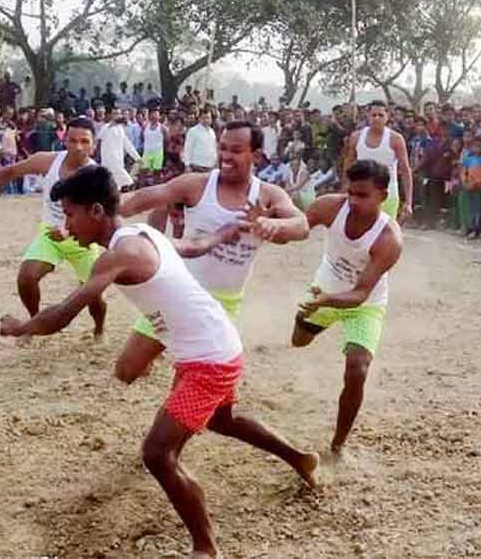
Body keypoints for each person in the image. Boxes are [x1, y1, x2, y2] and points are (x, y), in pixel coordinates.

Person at [0, 166, 318, 558]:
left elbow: (64, 313)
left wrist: (20, 328)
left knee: (157, 454)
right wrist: (225, 233)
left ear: (96, 211)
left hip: (210, 361)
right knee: (221, 419)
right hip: (208, 347)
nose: (67, 224)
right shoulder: (142, 234)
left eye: (70, 213)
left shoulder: (120, 253)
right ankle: (300, 458)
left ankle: (206, 547)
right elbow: (193, 247)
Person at [118, 121, 309, 370]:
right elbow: (139, 199)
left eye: (236, 150)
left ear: (257, 155)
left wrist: (273, 225)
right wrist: (95, 207)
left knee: (198, 383)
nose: (226, 156)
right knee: (127, 369)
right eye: (222, 148)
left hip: (222, 303)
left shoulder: (268, 195)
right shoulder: (197, 184)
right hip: (177, 290)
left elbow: (302, 225)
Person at [0, 117, 107, 340]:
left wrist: (69, 231)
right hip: (50, 234)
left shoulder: (97, 176)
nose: (78, 147)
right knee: (26, 278)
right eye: (72, 141)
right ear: (65, 141)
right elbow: (8, 172)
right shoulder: (48, 161)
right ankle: (33, 324)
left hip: (83, 240)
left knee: (93, 297)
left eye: (84, 141)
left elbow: (99, 218)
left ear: (94, 144)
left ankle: (99, 328)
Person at [291, 160, 402, 456]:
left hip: (362, 304)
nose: (353, 201)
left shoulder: (389, 239)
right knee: (298, 341)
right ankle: (309, 324)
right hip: (323, 288)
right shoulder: (330, 206)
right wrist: (269, 221)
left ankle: (338, 443)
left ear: (383, 196)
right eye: (351, 192)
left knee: (357, 370)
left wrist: (326, 300)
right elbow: (298, 227)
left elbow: (361, 293)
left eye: (363, 195)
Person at [342, 100, 414, 223]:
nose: (376, 118)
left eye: (380, 115)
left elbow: (405, 170)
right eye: (373, 115)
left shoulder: (396, 139)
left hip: (388, 195)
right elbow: (348, 164)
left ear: (387, 117)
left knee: (386, 234)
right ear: (367, 116)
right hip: (361, 194)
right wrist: (344, 188)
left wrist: (408, 202)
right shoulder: (356, 137)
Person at [98, 108, 140, 190]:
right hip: (109, 162)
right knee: (128, 181)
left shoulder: (121, 129)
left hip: (119, 161)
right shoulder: (105, 127)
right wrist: (110, 126)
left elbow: (127, 145)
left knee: (119, 186)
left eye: (118, 114)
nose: (117, 116)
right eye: (115, 114)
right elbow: (99, 137)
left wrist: (138, 158)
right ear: (111, 115)